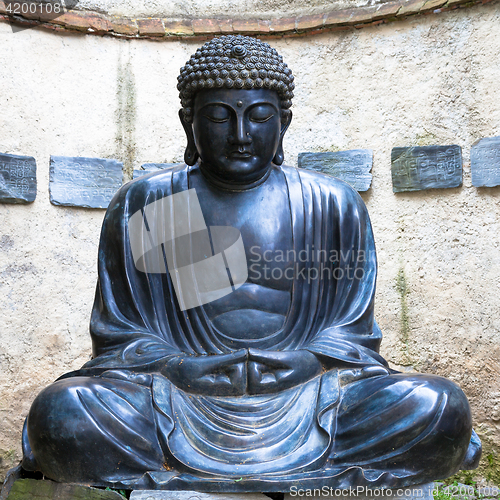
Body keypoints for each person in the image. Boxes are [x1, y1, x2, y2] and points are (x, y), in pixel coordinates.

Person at [21, 35, 481, 491]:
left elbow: (352, 332)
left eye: (259, 117)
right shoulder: (156, 200)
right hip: (180, 399)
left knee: (438, 405)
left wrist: (308, 360)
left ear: (283, 123)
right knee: (65, 411)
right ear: (189, 124)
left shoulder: (329, 203)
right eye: (220, 117)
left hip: (311, 397)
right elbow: (122, 331)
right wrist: (179, 367)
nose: (241, 136)